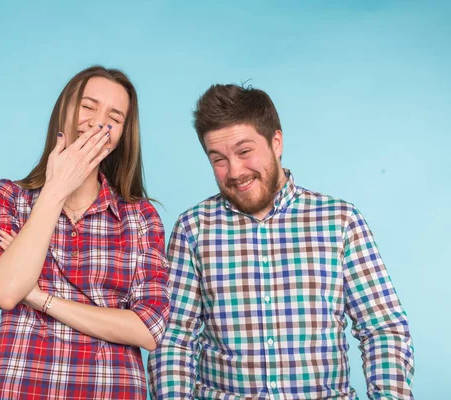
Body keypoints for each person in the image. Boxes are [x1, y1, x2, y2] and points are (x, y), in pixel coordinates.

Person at [148, 83, 414, 399]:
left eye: (245, 152)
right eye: (218, 159)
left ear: (276, 142)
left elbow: (383, 330)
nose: (234, 171)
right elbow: (175, 340)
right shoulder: (193, 228)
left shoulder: (340, 221)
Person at [0, 66, 171, 400]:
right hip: (22, 385)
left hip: (111, 389)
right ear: (63, 111)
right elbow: (7, 292)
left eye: (115, 116)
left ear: (123, 134)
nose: (98, 123)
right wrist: (55, 191)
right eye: (88, 106)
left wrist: (40, 298)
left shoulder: (141, 217)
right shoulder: (6, 197)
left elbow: (148, 329)